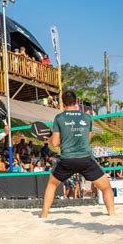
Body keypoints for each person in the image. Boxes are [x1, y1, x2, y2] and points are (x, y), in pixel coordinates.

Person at [40, 90, 115, 218]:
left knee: (52, 185)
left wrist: (49, 139)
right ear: (76, 101)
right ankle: (112, 214)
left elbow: (56, 143)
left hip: (67, 159)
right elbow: (88, 138)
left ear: (63, 103)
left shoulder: (59, 118)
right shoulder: (87, 117)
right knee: (106, 187)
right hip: (85, 159)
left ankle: (44, 215)